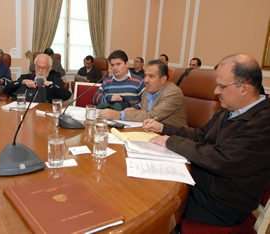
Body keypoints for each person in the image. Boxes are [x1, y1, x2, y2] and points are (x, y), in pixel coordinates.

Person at [144, 54, 270, 227]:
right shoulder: (229, 110)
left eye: (221, 86)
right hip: (203, 185)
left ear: (244, 89)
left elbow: (220, 159)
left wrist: (170, 142)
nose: (215, 91)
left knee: (151, 204)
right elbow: (198, 136)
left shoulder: (263, 123)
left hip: (222, 205)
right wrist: (164, 128)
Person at [99, 60, 187, 127]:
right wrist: (134, 110)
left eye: (151, 76)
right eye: (145, 75)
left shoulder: (172, 93)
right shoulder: (146, 93)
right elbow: (143, 114)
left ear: (163, 79)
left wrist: (118, 114)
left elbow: (151, 116)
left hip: (173, 139)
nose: (146, 80)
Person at [4, 54, 71, 103]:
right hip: (22, 111)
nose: (41, 70)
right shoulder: (25, 77)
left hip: (43, 114)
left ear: (50, 68)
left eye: (44, 68)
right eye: (38, 67)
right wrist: (23, 82)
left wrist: (50, 85)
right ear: (35, 66)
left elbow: (66, 96)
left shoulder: (55, 81)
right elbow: (7, 89)